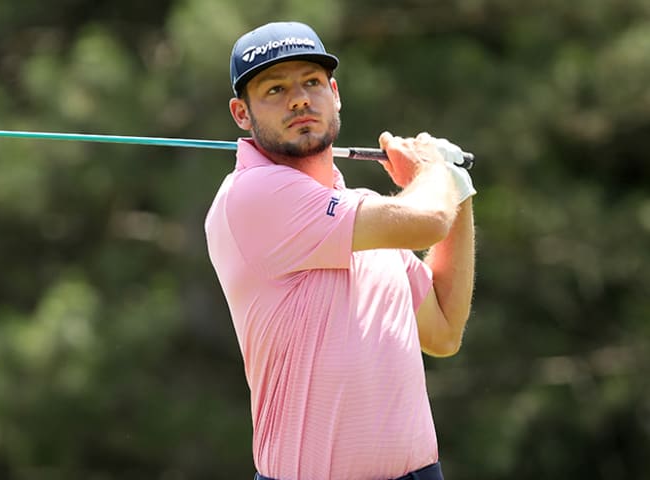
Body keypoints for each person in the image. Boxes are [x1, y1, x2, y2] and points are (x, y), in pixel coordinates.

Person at [204, 21, 476, 480]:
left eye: (312, 82)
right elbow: (427, 220)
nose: (298, 99)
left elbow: (444, 331)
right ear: (241, 114)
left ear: (334, 92)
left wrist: (460, 192)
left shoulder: (362, 217)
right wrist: (434, 173)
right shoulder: (251, 196)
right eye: (274, 89)